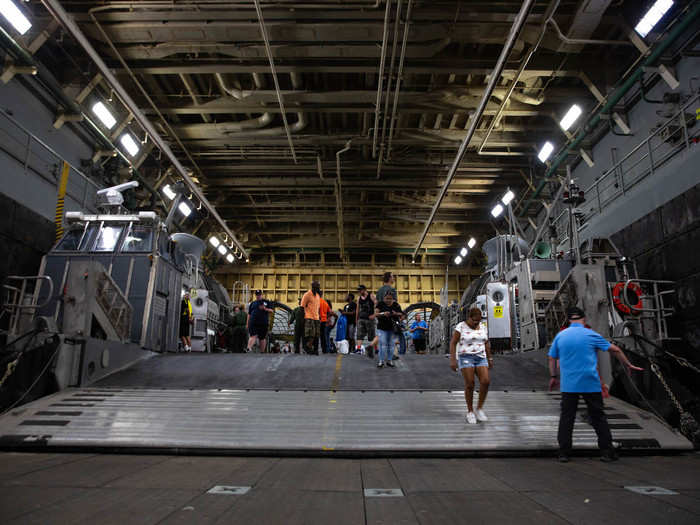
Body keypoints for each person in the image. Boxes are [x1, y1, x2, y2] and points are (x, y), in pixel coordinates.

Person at [548, 306, 643, 463]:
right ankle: (606, 452)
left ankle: (564, 453)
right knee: (598, 417)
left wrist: (553, 376)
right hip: (590, 383)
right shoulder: (591, 334)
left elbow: (552, 358)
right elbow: (615, 350)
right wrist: (628, 364)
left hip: (569, 385)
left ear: (569, 320)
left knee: (567, 418)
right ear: (584, 319)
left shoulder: (561, 336)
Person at [449, 307, 492, 424]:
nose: (476, 323)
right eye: (474, 321)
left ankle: (479, 408)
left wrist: (490, 358)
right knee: (470, 384)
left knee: (486, 381)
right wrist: (453, 360)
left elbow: (486, 343)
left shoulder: (482, 326)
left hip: (480, 357)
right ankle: (470, 411)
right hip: (466, 357)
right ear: (469, 318)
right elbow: (453, 343)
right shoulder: (460, 327)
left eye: (478, 321)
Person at [375, 293, 404, 368]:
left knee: (391, 345)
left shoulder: (396, 305)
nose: (388, 300)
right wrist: (383, 313)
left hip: (393, 328)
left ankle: (389, 360)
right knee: (382, 345)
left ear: (393, 299)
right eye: (386, 298)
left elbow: (402, 314)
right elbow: (376, 314)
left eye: (390, 299)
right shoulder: (380, 304)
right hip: (382, 328)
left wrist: (395, 313)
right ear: (384, 298)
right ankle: (381, 361)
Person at [301, 280, 322, 354]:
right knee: (310, 335)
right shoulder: (307, 295)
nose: (318, 288)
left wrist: (319, 317)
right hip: (309, 317)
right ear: (313, 287)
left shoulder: (317, 296)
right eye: (317, 287)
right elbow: (302, 307)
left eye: (318, 287)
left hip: (316, 318)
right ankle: (307, 347)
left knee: (316, 335)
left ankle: (314, 349)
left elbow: (318, 307)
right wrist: (303, 318)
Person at [356, 285, 376, 357]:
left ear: (364, 290)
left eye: (360, 290)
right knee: (359, 334)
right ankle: (358, 349)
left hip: (369, 319)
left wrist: (374, 315)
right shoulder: (359, 298)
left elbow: (377, 305)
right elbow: (357, 309)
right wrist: (356, 319)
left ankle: (376, 349)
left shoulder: (371, 296)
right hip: (361, 319)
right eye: (358, 290)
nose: (359, 292)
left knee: (372, 335)